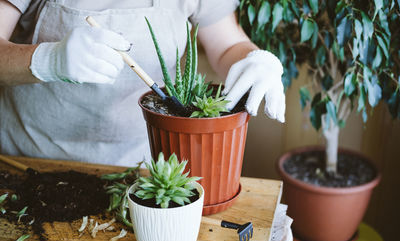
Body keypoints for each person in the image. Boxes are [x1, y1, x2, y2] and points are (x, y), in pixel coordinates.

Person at [0, 0, 285, 166]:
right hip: (30, 160)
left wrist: (255, 59)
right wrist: (47, 60)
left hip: (147, 166)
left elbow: (226, 46)